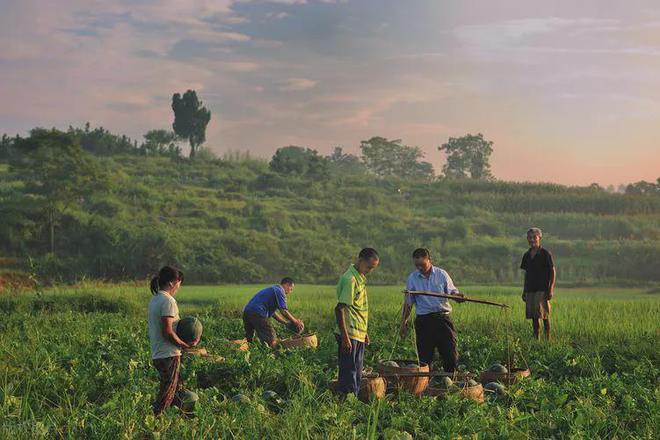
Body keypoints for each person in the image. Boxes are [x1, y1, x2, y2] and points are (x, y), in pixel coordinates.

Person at [399, 248, 465, 372]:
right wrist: (403, 323)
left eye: (422, 264)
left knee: (450, 354)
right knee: (424, 358)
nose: (420, 268)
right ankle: (426, 385)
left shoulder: (441, 274)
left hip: (442, 319)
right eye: (417, 265)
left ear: (429, 260)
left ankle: (451, 381)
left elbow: (452, 292)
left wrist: (458, 297)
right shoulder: (412, 278)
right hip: (424, 321)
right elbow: (408, 304)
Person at [147, 265, 199, 416]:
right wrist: (185, 345)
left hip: (159, 353)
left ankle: (182, 417)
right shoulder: (168, 301)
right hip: (168, 354)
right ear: (172, 282)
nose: (178, 288)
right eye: (178, 284)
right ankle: (154, 421)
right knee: (167, 394)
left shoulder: (155, 299)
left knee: (176, 389)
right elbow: (168, 332)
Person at [334, 248, 380, 398]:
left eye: (372, 268)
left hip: (358, 333)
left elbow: (357, 308)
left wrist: (364, 332)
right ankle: (346, 402)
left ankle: (351, 400)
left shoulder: (359, 278)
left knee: (357, 371)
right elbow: (340, 309)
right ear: (360, 261)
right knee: (349, 372)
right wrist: (345, 337)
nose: (369, 271)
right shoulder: (350, 280)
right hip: (350, 334)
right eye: (368, 267)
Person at [243, 278, 304, 347]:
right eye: (291, 289)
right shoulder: (280, 291)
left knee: (249, 340)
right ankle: (274, 355)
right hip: (257, 312)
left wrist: (285, 323)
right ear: (287, 285)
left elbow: (273, 314)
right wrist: (296, 322)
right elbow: (283, 311)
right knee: (271, 338)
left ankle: (244, 351)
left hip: (247, 312)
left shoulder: (273, 289)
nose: (290, 292)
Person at [520, 227, 556, 341]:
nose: (531, 240)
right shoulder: (526, 255)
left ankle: (548, 339)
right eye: (529, 238)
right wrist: (524, 290)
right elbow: (526, 273)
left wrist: (550, 289)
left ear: (539, 238)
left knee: (544, 315)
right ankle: (537, 339)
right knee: (534, 317)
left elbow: (552, 271)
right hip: (530, 289)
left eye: (534, 237)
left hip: (542, 289)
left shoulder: (545, 254)